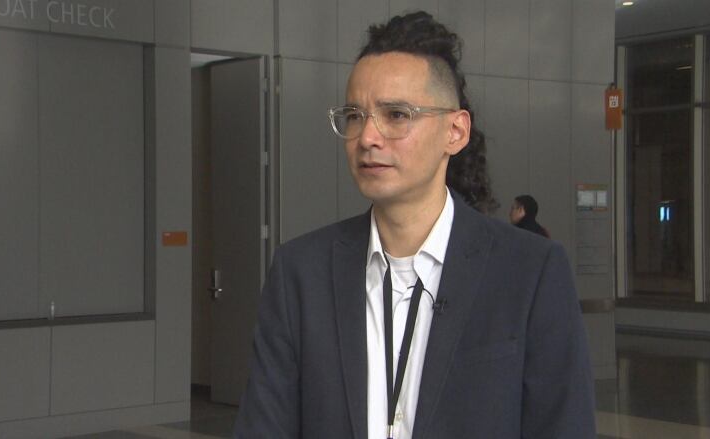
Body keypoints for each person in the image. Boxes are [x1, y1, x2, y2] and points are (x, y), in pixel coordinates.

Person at [234, 11, 595, 439]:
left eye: (397, 115)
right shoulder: (301, 272)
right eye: (354, 115)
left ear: (455, 132)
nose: (368, 137)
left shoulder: (530, 272)